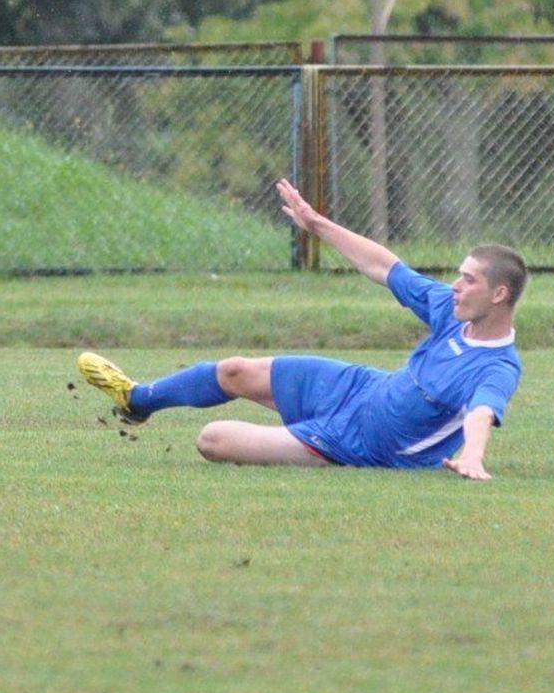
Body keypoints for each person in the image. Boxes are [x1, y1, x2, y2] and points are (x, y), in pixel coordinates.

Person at [76, 179, 526, 478]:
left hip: (362, 444)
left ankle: (314, 443)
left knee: (211, 440)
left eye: (468, 279)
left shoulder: (498, 366)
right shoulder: (452, 311)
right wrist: (316, 225)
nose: (455, 285)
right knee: (234, 370)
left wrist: (472, 456)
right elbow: (384, 265)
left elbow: (482, 411)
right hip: (360, 390)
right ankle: (137, 400)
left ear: (499, 295)